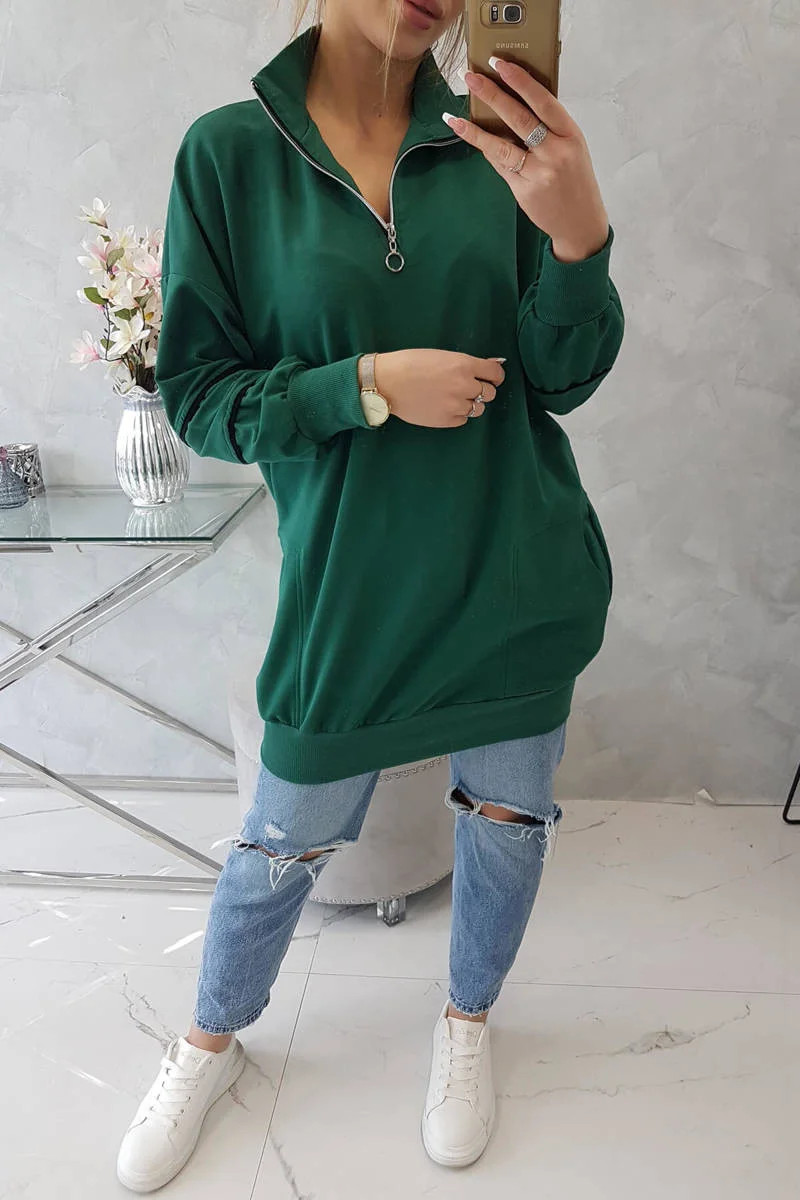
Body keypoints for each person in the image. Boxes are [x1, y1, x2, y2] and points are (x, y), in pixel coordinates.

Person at [116, 0, 624, 1190]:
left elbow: (561, 376)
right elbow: (201, 397)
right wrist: (363, 385)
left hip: (511, 570)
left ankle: (466, 1021)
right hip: (349, 594)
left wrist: (577, 236)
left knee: (505, 827)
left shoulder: (496, 143)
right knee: (279, 841)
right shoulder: (228, 156)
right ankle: (209, 1040)